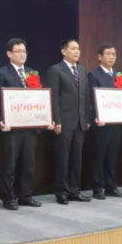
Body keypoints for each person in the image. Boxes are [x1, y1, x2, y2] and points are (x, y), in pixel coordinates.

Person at [0, 38, 45, 210]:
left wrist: (43, 118)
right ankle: (8, 197)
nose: (23, 54)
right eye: (19, 51)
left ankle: (26, 195)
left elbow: (39, 99)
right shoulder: (1, 73)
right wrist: (1, 120)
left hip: (30, 126)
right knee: (10, 164)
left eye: (24, 51)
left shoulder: (32, 73)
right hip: (12, 127)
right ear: (9, 54)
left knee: (28, 164)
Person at [46, 39, 91, 204]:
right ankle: (61, 192)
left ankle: (74, 190)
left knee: (76, 159)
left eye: (78, 48)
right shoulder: (55, 70)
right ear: (64, 51)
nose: (77, 51)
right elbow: (53, 97)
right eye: (73, 49)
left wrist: (86, 118)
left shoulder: (82, 70)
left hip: (80, 122)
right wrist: (56, 119)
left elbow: (86, 96)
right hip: (64, 122)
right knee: (63, 158)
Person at [87, 44, 122, 199]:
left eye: (114, 54)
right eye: (108, 54)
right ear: (99, 56)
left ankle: (111, 186)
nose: (111, 57)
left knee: (112, 156)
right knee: (99, 156)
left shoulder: (119, 75)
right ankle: (98, 188)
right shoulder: (93, 75)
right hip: (101, 124)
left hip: (116, 123)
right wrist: (98, 116)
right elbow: (92, 99)